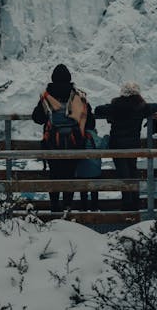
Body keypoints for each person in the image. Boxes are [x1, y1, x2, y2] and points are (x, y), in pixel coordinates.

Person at [32, 63, 95, 213]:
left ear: (53, 78)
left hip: (52, 144)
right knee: (70, 175)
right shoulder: (78, 97)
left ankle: (54, 207)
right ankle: (67, 206)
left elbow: (37, 118)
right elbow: (90, 122)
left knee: (54, 175)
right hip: (75, 144)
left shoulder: (47, 97)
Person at [95, 82, 157, 211]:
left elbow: (98, 110)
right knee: (132, 171)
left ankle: (127, 204)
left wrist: (110, 108)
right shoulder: (141, 107)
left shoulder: (115, 106)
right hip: (133, 145)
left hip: (117, 145)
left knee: (123, 174)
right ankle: (135, 203)